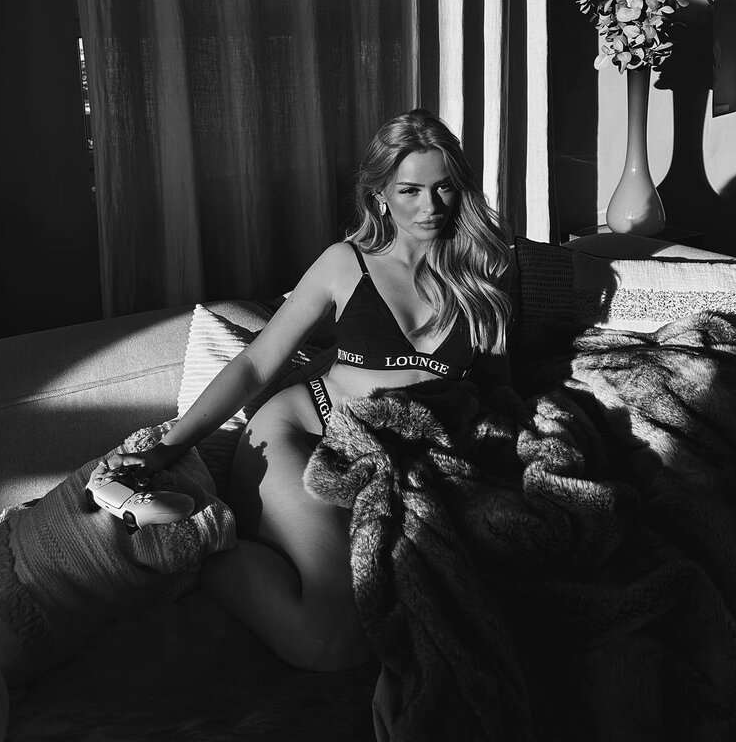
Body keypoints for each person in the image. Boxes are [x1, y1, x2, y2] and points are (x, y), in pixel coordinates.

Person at [97, 109, 513, 672]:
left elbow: (495, 392)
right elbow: (255, 365)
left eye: (443, 188)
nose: (430, 206)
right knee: (332, 641)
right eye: (410, 190)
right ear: (380, 196)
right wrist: (168, 447)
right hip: (303, 432)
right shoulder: (345, 264)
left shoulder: (484, 272)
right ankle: (198, 548)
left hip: (407, 464)